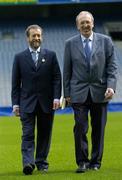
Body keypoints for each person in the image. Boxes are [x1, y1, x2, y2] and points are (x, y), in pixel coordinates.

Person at [63, 11, 117, 173]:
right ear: (77, 26)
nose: (85, 25)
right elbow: (67, 70)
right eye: (82, 23)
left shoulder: (106, 41)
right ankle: (82, 162)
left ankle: (95, 162)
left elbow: (112, 67)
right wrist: (67, 93)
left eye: (88, 22)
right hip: (78, 92)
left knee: (98, 128)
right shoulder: (70, 44)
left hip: (100, 92)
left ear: (93, 23)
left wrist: (111, 86)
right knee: (80, 127)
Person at [11, 24, 61, 175]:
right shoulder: (19, 58)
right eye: (34, 36)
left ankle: (41, 163)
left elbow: (57, 78)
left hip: (47, 103)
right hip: (26, 103)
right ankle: (28, 163)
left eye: (39, 35)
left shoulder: (51, 55)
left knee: (45, 134)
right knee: (27, 134)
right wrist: (15, 104)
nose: (36, 38)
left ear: (42, 37)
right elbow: (15, 83)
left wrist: (56, 97)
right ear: (28, 38)